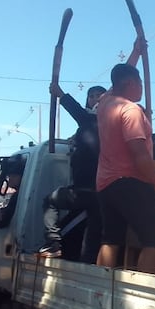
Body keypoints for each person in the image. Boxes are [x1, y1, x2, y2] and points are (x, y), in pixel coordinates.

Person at [95, 47, 155, 274]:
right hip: (132, 182)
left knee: (111, 238)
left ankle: (100, 286)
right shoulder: (130, 110)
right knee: (153, 240)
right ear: (130, 84)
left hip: (106, 184)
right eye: (140, 84)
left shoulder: (105, 103)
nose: (142, 89)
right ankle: (142, 293)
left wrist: (136, 51)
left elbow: (121, 76)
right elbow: (139, 154)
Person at [38, 85, 105, 262]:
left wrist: (59, 93)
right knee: (92, 237)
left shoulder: (89, 119)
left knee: (50, 200)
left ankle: (53, 242)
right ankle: (88, 265)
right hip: (102, 191)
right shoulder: (110, 125)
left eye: (99, 95)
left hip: (84, 188)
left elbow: (74, 109)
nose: (96, 98)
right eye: (92, 96)